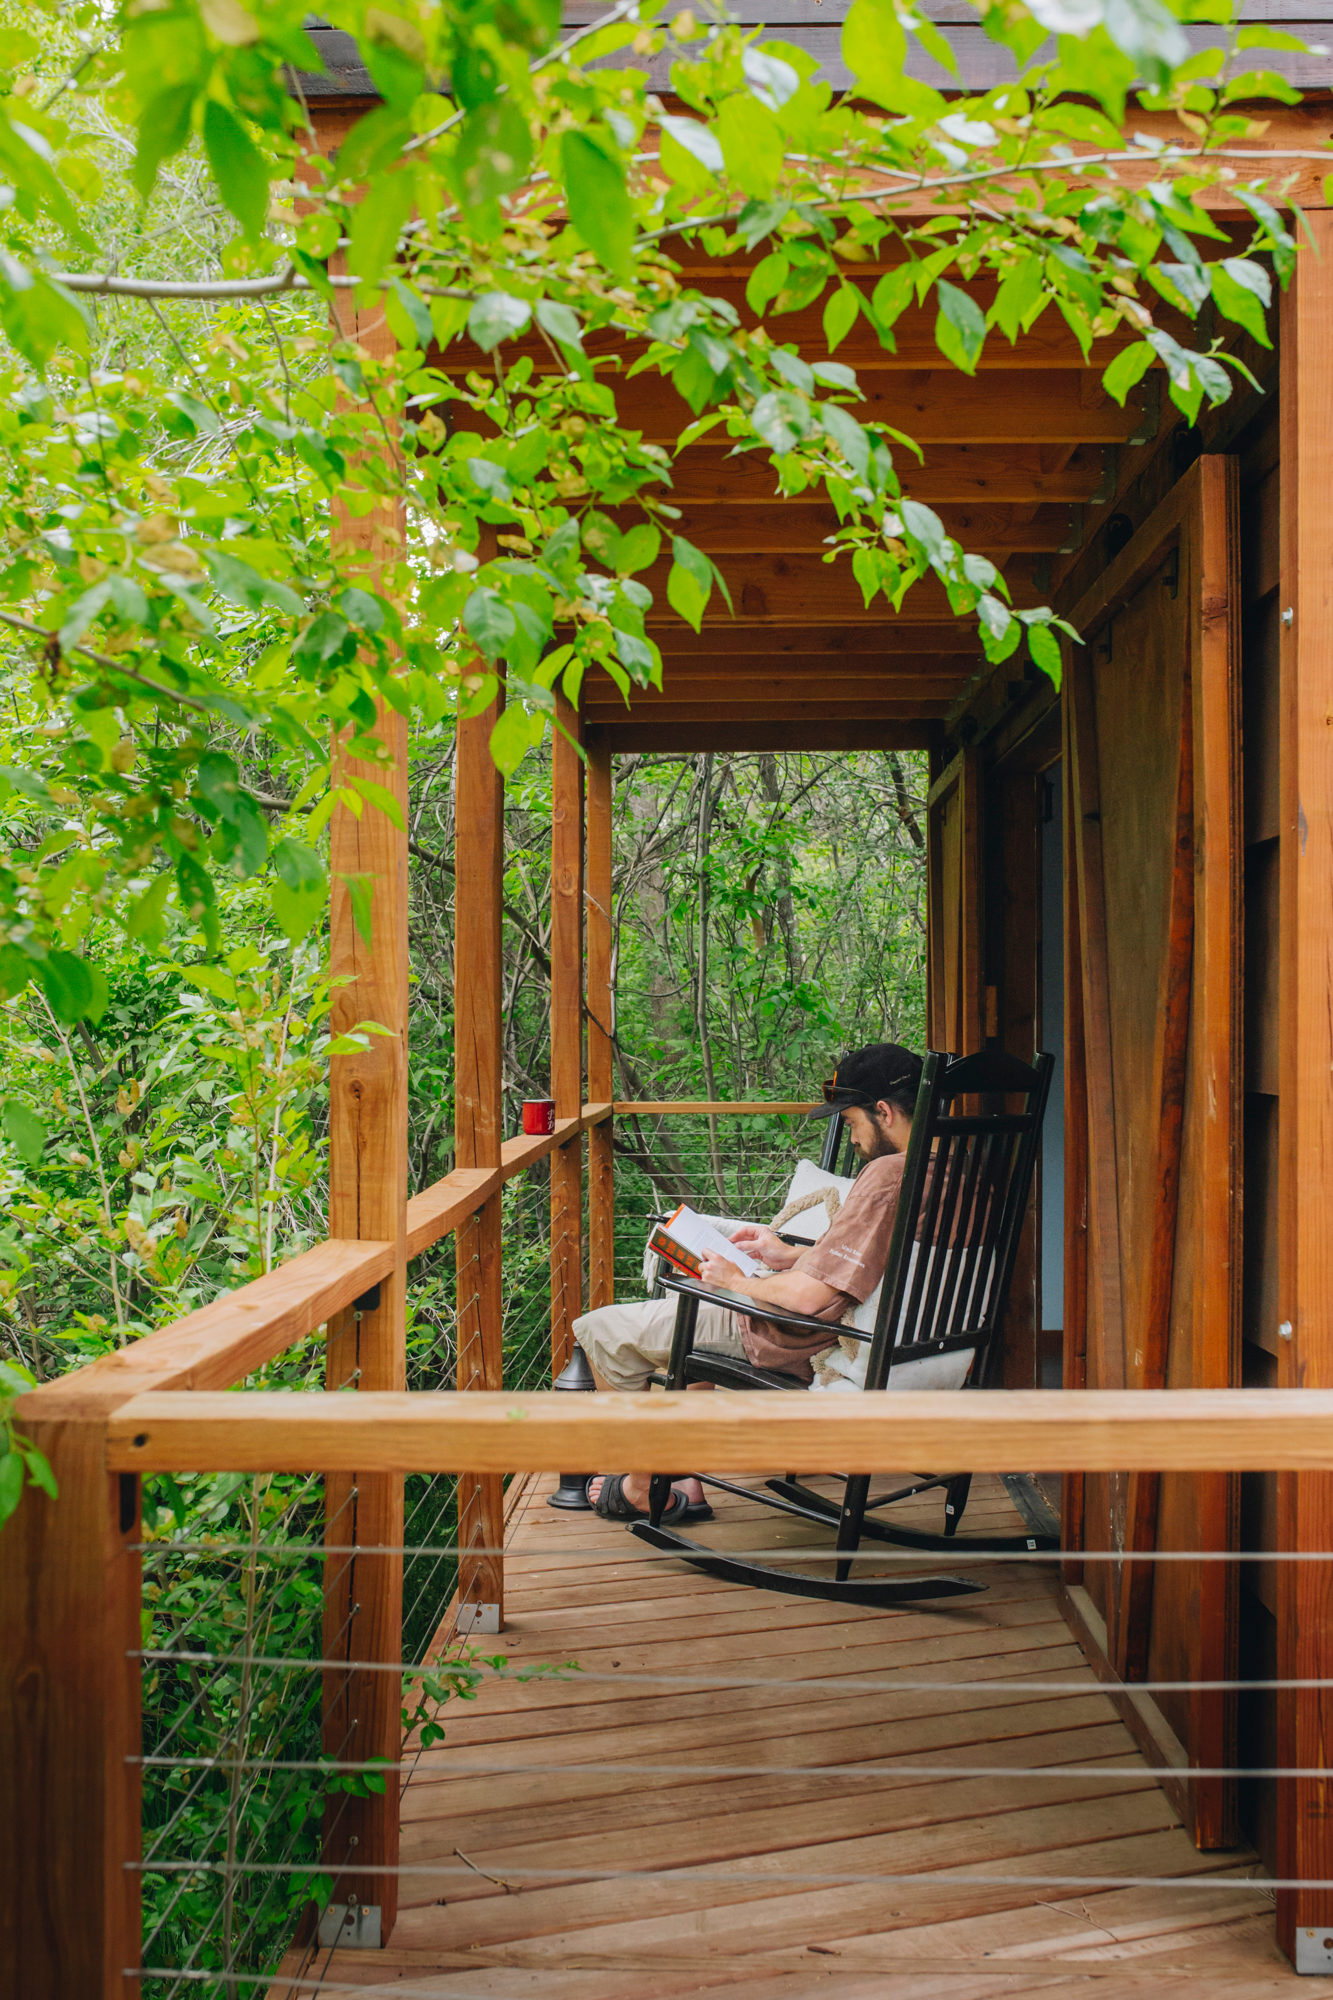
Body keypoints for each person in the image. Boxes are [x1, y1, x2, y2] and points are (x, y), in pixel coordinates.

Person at [576, 1042, 923, 1524]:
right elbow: (886, 1260)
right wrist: (791, 1255)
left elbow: (808, 1298)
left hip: (799, 1337)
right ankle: (684, 1477)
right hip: (902, 1346)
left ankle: (639, 1487)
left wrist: (737, 1280)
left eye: (851, 1123)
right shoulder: (957, 1168)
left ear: (883, 1111)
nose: (852, 1140)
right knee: (690, 1312)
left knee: (601, 1331)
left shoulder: (888, 1176)